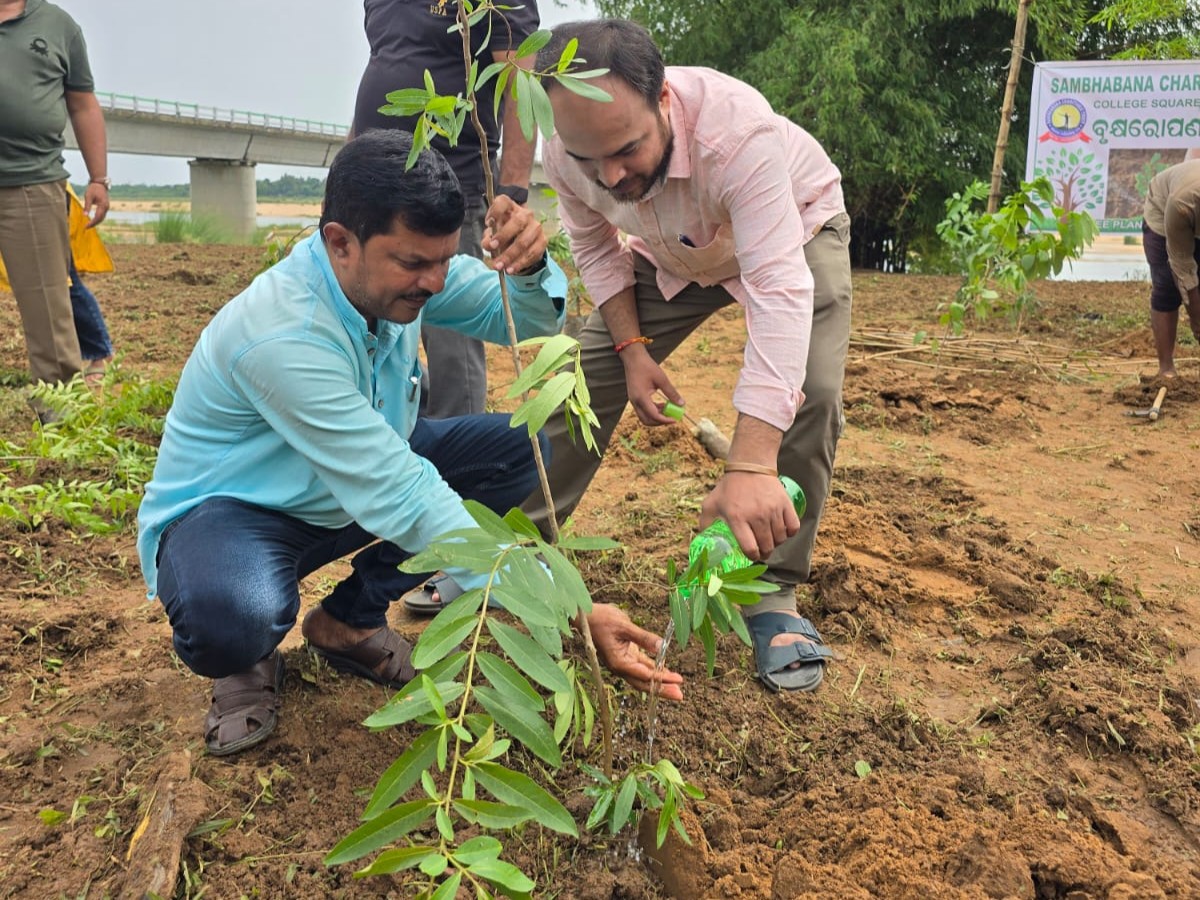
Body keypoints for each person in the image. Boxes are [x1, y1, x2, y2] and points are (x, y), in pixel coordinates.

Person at [136, 131, 681, 758]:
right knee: (235, 613)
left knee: (519, 452)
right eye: (415, 264)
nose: (435, 280)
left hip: (352, 483)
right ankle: (247, 659)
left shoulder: (401, 270)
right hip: (239, 510)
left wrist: (531, 267)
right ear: (340, 242)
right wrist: (567, 612)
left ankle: (348, 621)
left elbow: (528, 319)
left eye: (444, 260)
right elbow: (403, 493)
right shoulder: (283, 334)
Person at [516, 18, 853, 693]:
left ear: (664, 99)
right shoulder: (569, 156)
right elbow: (597, 249)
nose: (611, 176)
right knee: (580, 380)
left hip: (795, 226)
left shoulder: (738, 135)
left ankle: (772, 590)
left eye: (627, 149)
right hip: (670, 252)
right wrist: (632, 350)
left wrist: (752, 463)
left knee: (810, 394)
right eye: (589, 161)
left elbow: (780, 289)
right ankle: (512, 560)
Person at [352, 0, 540, 420]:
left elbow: (521, 85)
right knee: (363, 319)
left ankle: (459, 458)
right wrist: (344, 177)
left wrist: (512, 191)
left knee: (450, 340)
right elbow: (381, 70)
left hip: (448, 186)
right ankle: (402, 431)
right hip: (372, 189)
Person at [0, 0, 111, 414]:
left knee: (48, 304)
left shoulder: (59, 26)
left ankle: (59, 409)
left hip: (32, 183)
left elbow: (83, 104)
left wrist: (98, 178)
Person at [1143, 155, 1200, 378]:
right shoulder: (1181, 203)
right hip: (1163, 212)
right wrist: (1197, 320)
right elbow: (1183, 269)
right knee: (1167, 284)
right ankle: (1166, 368)